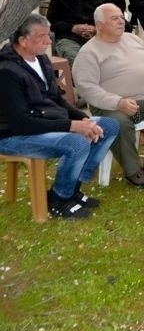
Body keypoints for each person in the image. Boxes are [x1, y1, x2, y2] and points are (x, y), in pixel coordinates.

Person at [0, 14, 120, 219]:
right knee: (76, 143)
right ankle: (58, 198)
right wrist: (71, 126)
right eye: (42, 37)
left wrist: (82, 118)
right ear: (23, 40)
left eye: (49, 35)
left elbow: (57, 99)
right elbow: (22, 123)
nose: (48, 41)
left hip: (45, 123)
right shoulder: (6, 72)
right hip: (12, 136)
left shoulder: (42, 60)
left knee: (108, 126)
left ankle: (72, 188)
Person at [74, 4, 144, 188]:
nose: (121, 21)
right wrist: (118, 102)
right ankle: (133, 171)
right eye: (114, 18)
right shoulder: (89, 52)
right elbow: (86, 88)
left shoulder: (133, 38)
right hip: (114, 106)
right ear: (99, 25)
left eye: (121, 17)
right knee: (119, 123)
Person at [47, 0, 101, 66]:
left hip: (93, 37)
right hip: (68, 38)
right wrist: (71, 28)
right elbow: (53, 22)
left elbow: (102, 20)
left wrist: (94, 28)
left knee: (103, 56)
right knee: (75, 59)